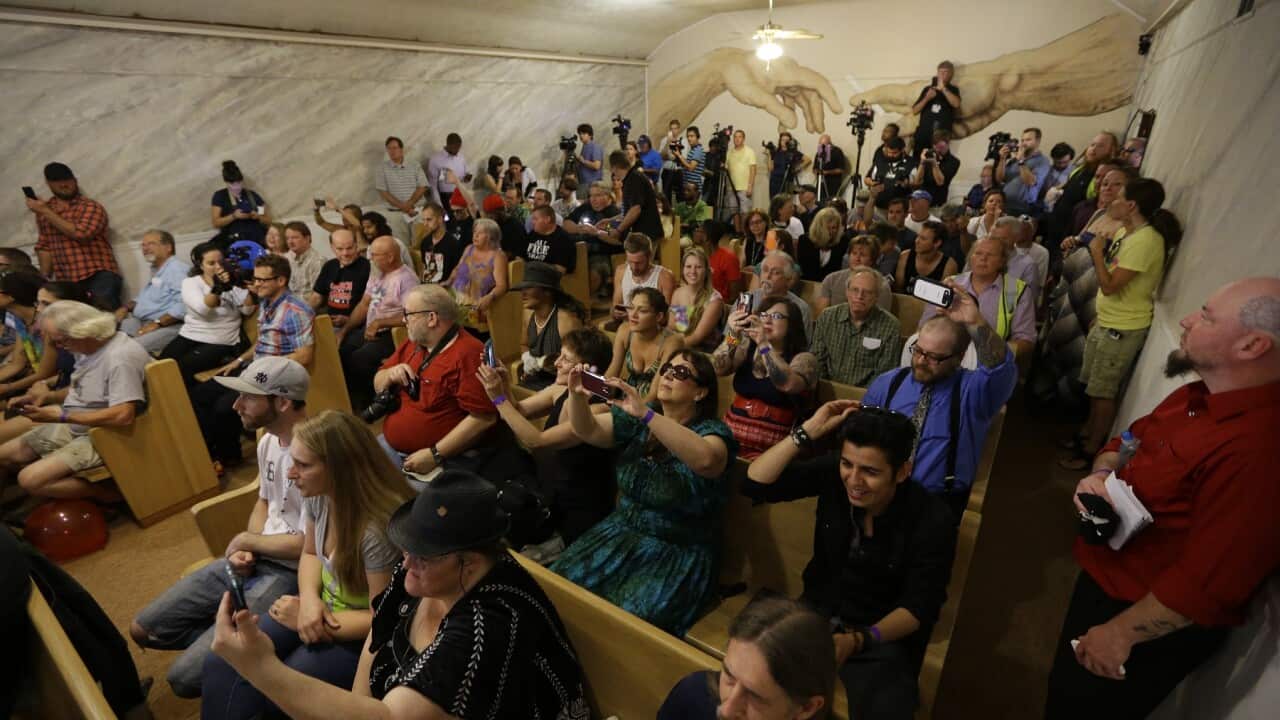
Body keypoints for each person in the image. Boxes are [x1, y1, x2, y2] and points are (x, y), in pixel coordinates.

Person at [1045, 277, 1280, 720]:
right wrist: (1100, 473)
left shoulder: (1260, 452)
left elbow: (1208, 585)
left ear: (1251, 346)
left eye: (1207, 316)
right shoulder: (1197, 396)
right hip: (1108, 574)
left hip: (1140, 624)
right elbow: (1128, 440)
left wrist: (1119, 636)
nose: (1188, 320)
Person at [209, 468, 589, 718]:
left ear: (469, 563)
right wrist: (359, 702)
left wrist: (260, 667)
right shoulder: (421, 573)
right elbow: (379, 634)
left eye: (421, 555)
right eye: (407, 548)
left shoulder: (490, 622)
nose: (405, 563)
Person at [745, 404, 957, 720]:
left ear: (902, 471)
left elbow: (918, 608)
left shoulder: (932, 519)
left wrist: (858, 640)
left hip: (879, 636)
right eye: (847, 464)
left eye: (870, 472)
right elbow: (755, 484)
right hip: (815, 613)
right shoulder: (836, 476)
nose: (854, 481)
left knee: (888, 707)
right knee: (751, 677)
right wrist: (808, 432)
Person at [202, 410, 413, 719]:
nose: (290, 474)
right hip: (322, 611)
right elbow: (311, 554)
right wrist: (311, 601)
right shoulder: (320, 494)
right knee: (223, 660)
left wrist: (315, 621)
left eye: (303, 465)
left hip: (362, 636)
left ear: (340, 469)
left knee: (281, 686)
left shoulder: (375, 530)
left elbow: (381, 619)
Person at [129, 357, 308, 698]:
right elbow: (264, 502)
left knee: (183, 681)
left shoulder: (315, 456)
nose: (236, 405)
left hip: (289, 574)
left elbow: (314, 545)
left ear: (282, 402)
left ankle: (258, 650)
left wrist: (247, 540)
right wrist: (246, 546)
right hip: (254, 557)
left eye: (249, 397)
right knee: (144, 630)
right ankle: (234, 642)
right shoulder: (268, 440)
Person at [552, 351, 734, 634]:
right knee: (560, 582)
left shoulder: (713, 432)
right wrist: (577, 396)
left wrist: (646, 414)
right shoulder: (638, 420)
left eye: (682, 373)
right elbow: (585, 430)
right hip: (619, 533)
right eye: (668, 369)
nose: (670, 374)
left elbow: (706, 460)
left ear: (700, 393)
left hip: (675, 554)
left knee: (626, 620)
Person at [861, 290, 1017, 516]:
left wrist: (974, 321)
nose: (922, 362)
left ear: (960, 357)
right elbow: (863, 435)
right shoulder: (888, 383)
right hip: (884, 492)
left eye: (934, 357)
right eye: (919, 351)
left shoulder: (973, 391)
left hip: (937, 501)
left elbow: (1000, 368)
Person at [1061, 178, 1181, 471]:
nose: (1112, 199)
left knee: (1104, 392)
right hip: (1108, 321)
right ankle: (1086, 433)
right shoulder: (1128, 232)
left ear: (1131, 205)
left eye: (1120, 196)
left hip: (1123, 328)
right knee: (1092, 386)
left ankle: (1092, 449)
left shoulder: (1145, 241)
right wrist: (1099, 317)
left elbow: (1112, 285)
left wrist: (1098, 253)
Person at [477, 327, 617, 548]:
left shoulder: (599, 408)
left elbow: (537, 441)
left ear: (588, 370)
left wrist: (498, 400)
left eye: (566, 359)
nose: (557, 362)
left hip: (580, 505)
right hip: (550, 489)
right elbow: (520, 411)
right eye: (560, 355)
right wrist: (503, 385)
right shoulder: (559, 388)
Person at [0, 300, 149, 502]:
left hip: (106, 433)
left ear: (83, 332)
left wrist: (62, 415)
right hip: (78, 422)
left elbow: (123, 415)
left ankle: (111, 497)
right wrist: (46, 397)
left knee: (30, 480)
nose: (60, 348)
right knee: (5, 454)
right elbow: (86, 388)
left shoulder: (119, 358)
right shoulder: (89, 348)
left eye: (61, 342)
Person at [194, 254, 315, 469]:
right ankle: (211, 452)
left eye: (262, 280)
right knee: (201, 394)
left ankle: (228, 457)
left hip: (270, 377)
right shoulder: (267, 303)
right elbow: (262, 342)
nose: (256, 284)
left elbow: (304, 355)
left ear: (281, 281)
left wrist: (268, 366)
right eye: (255, 278)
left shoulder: (295, 310)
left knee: (224, 407)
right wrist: (240, 359)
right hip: (253, 367)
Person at [373, 285, 496, 479]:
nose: (404, 320)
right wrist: (389, 374)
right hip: (393, 446)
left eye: (408, 314)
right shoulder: (414, 342)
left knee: (398, 503)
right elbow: (378, 382)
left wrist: (435, 454)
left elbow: (483, 418)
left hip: (441, 459)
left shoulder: (468, 354)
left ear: (431, 318)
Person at [659, 595, 836, 720]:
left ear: (806, 708)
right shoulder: (692, 696)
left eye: (754, 696)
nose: (726, 711)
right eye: (728, 676)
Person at [714, 295, 816, 458]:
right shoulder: (747, 347)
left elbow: (787, 384)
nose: (767, 321)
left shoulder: (804, 358)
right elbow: (719, 368)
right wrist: (732, 335)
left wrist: (763, 343)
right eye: (763, 315)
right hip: (729, 438)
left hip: (773, 451)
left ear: (792, 324)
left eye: (776, 316)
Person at [27, 162, 122, 310]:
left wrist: (45, 211)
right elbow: (45, 245)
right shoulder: (45, 210)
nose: (64, 184)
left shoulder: (90, 206)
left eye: (67, 180)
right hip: (66, 282)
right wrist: (44, 278)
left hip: (97, 275)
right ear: (49, 184)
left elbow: (81, 233)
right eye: (57, 181)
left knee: (102, 320)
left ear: (75, 180)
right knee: (75, 327)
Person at [159, 242, 254, 387]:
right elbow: (203, 310)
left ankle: (190, 406)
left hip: (221, 339)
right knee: (163, 365)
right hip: (191, 334)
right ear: (200, 266)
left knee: (184, 368)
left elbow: (247, 310)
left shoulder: (232, 281)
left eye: (221, 262)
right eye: (211, 263)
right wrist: (218, 288)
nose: (218, 267)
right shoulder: (190, 283)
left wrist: (242, 285)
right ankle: (170, 405)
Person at [923, 236, 1035, 358]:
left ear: (1002, 261)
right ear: (970, 258)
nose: (983, 258)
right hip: (945, 355)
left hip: (990, 360)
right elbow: (924, 326)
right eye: (978, 253)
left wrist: (996, 353)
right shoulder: (951, 284)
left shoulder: (1015, 290)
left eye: (990, 255)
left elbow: (1026, 342)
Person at [340, 237, 416, 410]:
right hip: (372, 328)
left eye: (374, 255)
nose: (370, 259)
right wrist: (343, 331)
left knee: (360, 359)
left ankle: (376, 400)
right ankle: (352, 400)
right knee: (342, 349)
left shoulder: (406, 279)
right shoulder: (377, 275)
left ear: (390, 257)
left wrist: (381, 323)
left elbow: (412, 315)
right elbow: (364, 305)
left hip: (394, 332)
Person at [813, 268, 902, 388]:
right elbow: (817, 360)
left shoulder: (891, 326)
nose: (859, 296)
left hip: (865, 398)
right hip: (826, 390)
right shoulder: (827, 317)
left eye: (867, 292)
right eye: (855, 290)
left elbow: (883, 375)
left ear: (876, 297)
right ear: (847, 292)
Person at [512, 262, 585, 391]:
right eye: (523, 288)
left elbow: (578, 362)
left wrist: (542, 363)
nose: (523, 293)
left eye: (529, 287)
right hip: (534, 379)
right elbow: (524, 344)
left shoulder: (566, 321)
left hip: (562, 383)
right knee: (503, 401)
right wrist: (527, 358)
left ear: (547, 292)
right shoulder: (527, 314)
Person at [115, 229, 189, 354]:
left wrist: (157, 324)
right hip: (142, 321)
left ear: (168, 247)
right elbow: (145, 297)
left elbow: (184, 305)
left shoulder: (177, 269)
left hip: (169, 326)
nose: (145, 248)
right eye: (143, 245)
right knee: (104, 334)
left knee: (127, 350)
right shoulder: (156, 269)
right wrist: (125, 308)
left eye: (151, 244)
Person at [607, 286, 685, 402]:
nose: (633, 315)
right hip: (626, 399)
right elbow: (611, 375)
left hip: (654, 407)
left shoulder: (672, 342)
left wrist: (623, 411)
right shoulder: (624, 331)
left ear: (659, 317)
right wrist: (595, 392)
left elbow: (655, 393)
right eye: (631, 308)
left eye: (642, 311)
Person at [447, 217, 508, 339]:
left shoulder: (498, 256)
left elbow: (502, 285)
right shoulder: (468, 248)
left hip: (476, 308)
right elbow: (457, 269)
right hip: (454, 300)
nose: (475, 235)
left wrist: (490, 297)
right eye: (474, 232)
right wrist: (448, 281)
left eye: (480, 233)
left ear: (491, 237)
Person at [562, 181, 621, 297]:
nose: (593, 199)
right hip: (578, 248)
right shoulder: (586, 207)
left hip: (601, 252)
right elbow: (566, 223)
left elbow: (614, 238)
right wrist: (579, 228)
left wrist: (596, 233)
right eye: (591, 196)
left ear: (608, 196)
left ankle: (586, 300)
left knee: (595, 272)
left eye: (597, 195)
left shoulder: (612, 213)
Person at [609, 233, 675, 328]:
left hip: (652, 330)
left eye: (639, 263)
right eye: (630, 262)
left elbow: (666, 317)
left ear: (649, 257)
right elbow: (615, 307)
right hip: (627, 327)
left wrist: (636, 317)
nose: (634, 267)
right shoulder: (621, 271)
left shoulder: (664, 277)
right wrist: (615, 313)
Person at [309, 229, 371, 330]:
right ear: (332, 248)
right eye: (340, 249)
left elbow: (370, 305)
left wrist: (349, 320)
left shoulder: (367, 267)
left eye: (349, 248)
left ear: (356, 245)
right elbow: (317, 297)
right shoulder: (330, 266)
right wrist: (303, 316)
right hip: (328, 323)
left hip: (356, 325)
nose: (345, 253)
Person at [816, 235, 893, 315]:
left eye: (862, 255)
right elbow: (822, 315)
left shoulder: (881, 285)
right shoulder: (831, 279)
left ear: (872, 260)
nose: (857, 258)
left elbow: (881, 318)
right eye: (854, 253)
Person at [603, 149, 665, 247]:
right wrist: (609, 221)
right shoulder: (630, 179)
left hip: (646, 235)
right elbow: (627, 212)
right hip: (641, 235)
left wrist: (619, 230)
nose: (612, 171)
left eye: (611, 168)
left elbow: (635, 209)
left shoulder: (634, 179)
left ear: (615, 167)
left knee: (640, 262)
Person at [669, 247, 726, 351]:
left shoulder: (714, 300)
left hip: (703, 352)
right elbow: (674, 327)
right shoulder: (678, 293)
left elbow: (696, 337)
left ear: (706, 271)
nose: (693, 271)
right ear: (683, 269)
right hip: (681, 346)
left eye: (698, 267)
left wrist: (672, 348)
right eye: (688, 266)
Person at [374, 136, 429, 240]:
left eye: (394, 148)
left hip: (417, 211)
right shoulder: (382, 168)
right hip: (396, 213)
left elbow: (423, 186)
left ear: (401, 149)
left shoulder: (414, 165)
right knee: (400, 244)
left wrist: (410, 203)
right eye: (389, 148)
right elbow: (383, 192)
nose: (392, 151)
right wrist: (402, 206)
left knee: (420, 242)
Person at [211, 160, 271, 248]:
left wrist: (257, 216)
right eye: (232, 184)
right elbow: (216, 223)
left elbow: (267, 220)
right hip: (233, 241)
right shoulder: (220, 196)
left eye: (239, 183)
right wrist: (234, 216)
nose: (236, 187)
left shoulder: (252, 196)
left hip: (257, 239)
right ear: (226, 182)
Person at [911, 60, 962, 159]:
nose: (942, 75)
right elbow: (914, 111)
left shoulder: (953, 90)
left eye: (945, 72)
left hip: (941, 136)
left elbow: (956, 104)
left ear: (951, 74)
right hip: (924, 134)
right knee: (918, 161)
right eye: (940, 72)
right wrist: (927, 98)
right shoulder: (928, 89)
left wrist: (943, 89)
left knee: (938, 163)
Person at [995, 127, 1050, 216]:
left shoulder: (1042, 161)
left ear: (1038, 141)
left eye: (1028, 140)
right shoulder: (1014, 159)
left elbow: (1031, 182)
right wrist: (1002, 159)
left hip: (1023, 208)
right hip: (1005, 204)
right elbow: (999, 179)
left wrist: (1021, 161)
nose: (1024, 143)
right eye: (1022, 140)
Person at [895, 221, 957, 294]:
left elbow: (943, 295)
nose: (916, 241)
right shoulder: (905, 256)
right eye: (918, 236)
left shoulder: (949, 265)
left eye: (923, 239)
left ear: (937, 243)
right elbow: (898, 289)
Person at [691, 220, 743, 302]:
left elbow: (735, 296)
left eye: (699, 231)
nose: (695, 232)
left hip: (720, 306)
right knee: (677, 305)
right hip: (701, 303)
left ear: (707, 237)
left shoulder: (728, 259)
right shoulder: (699, 257)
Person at [797, 207, 851, 282]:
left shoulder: (843, 241)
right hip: (809, 282)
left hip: (832, 283)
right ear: (819, 227)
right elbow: (804, 267)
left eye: (834, 228)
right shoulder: (805, 240)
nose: (831, 231)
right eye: (828, 228)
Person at [519, 206, 577, 274]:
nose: (532, 222)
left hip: (549, 280)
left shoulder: (563, 239)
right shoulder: (532, 234)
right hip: (527, 275)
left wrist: (533, 268)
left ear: (547, 219)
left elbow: (560, 270)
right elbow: (519, 256)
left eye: (535, 219)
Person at [910, 130, 961, 206]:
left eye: (941, 147)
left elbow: (940, 182)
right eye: (935, 147)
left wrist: (934, 164)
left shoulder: (954, 162)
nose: (938, 150)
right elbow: (917, 181)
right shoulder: (928, 156)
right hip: (920, 201)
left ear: (948, 144)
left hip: (937, 203)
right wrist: (922, 162)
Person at [865, 137, 915, 213]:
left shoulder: (910, 163)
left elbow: (916, 184)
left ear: (902, 150)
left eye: (894, 153)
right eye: (889, 152)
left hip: (900, 209)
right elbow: (867, 178)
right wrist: (872, 184)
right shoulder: (880, 161)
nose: (891, 155)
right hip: (880, 207)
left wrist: (907, 184)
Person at [427, 132, 471, 211]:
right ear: (448, 144)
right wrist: (438, 204)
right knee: (450, 221)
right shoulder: (435, 159)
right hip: (446, 197)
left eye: (459, 147)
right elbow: (433, 185)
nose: (457, 150)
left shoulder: (461, 157)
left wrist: (467, 177)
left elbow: (466, 173)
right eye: (455, 148)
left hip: (461, 194)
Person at [725, 129, 757, 230]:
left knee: (745, 212)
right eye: (735, 137)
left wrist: (750, 186)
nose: (737, 139)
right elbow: (727, 168)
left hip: (744, 187)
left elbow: (753, 170)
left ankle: (745, 233)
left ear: (743, 139)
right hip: (731, 187)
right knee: (734, 212)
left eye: (739, 137)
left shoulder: (749, 151)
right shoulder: (729, 152)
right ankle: (737, 233)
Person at [282, 222, 324, 299]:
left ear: (307, 238)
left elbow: (317, 297)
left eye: (295, 237)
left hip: (306, 307)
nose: (290, 242)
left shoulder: (318, 261)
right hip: (288, 305)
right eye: (287, 238)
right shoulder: (286, 258)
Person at [766, 131, 808, 198]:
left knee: (786, 201)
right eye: (783, 140)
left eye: (787, 140)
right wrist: (769, 155)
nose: (784, 142)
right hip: (775, 181)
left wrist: (798, 168)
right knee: (775, 201)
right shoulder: (775, 152)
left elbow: (808, 159)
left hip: (788, 181)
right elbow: (770, 168)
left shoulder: (793, 152)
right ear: (780, 141)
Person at [673, 125, 707, 194]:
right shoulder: (693, 150)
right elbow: (688, 166)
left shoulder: (698, 150)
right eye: (688, 136)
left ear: (697, 137)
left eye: (692, 136)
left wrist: (679, 156)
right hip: (689, 186)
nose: (689, 138)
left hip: (693, 188)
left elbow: (691, 167)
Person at [1041, 142, 1076, 209]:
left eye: (1065, 162)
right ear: (1053, 159)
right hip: (1043, 205)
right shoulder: (1046, 170)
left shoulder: (1074, 172)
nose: (1061, 165)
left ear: (1070, 159)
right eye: (1058, 162)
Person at [813, 134, 847, 202]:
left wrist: (827, 172)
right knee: (819, 201)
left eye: (824, 145)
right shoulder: (819, 152)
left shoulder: (837, 152)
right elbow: (814, 168)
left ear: (829, 144)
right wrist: (817, 171)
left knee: (830, 202)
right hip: (821, 182)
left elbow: (841, 169)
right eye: (820, 144)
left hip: (833, 183)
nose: (822, 147)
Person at [572, 123, 604, 187]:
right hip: (583, 183)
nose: (581, 136)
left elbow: (596, 166)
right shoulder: (584, 147)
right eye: (580, 134)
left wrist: (583, 161)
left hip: (592, 184)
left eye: (583, 134)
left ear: (590, 135)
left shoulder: (595, 147)